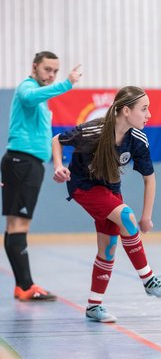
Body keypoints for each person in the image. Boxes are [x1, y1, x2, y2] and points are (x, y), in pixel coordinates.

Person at [52, 86, 161, 322]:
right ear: (126, 111)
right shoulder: (94, 130)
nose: (149, 115)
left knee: (108, 249)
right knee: (127, 217)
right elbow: (57, 140)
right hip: (83, 186)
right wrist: (59, 166)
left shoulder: (137, 139)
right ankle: (149, 280)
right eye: (144, 109)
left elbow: (149, 179)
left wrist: (146, 217)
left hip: (110, 188)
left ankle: (93, 306)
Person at [1, 51, 81, 301]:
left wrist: (56, 163)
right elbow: (30, 96)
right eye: (48, 70)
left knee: (17, 225)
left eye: (56, 71)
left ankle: (23, 285)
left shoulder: (40, 99)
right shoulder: (28, 87)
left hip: (29, 164)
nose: (52, 75)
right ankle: (25, 287)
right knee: (19, 225)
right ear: (35, 67)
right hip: (21, 163)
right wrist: (66, 83)